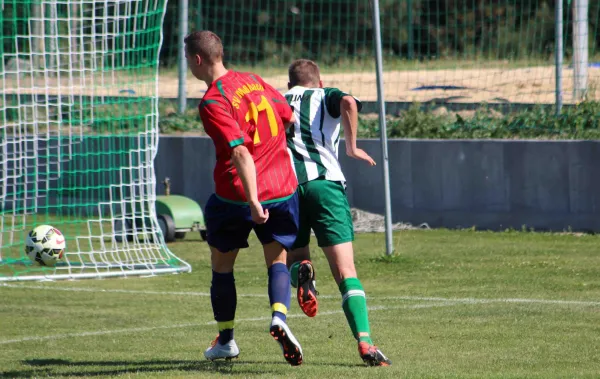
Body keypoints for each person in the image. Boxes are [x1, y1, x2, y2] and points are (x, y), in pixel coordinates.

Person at [185, 30, 302, 366]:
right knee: (277, 260)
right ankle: (279, 317)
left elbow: (240, 152)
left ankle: (226, 341)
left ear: (197, 60)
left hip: (238, 195)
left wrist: (252, 199)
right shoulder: (254, 80)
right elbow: (287, 116)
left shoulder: (213, 101)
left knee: (222, 268)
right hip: (282, 189)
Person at [284, 59, 391, 366]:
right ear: (319, 82)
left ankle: (302, 273)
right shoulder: (324, 93)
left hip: (287, 187)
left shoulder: (278, 100)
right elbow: (347, 101)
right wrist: (352, 147)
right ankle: (365, 343)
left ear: (290, 86)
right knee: (345, 272)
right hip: (325, 185)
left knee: (296, 257)